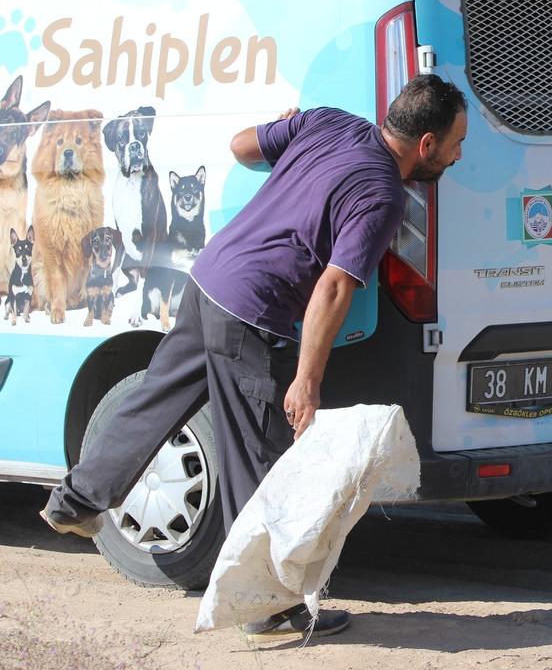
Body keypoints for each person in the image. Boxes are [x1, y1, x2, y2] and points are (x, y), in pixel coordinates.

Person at [40, 74, 468, 641]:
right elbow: (336, 287)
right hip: (252, 308)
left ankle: (74, 501)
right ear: (426, 144)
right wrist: (307, 382)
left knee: (157, 399)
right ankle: (268, 606)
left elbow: (242, 146)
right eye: (457, 143)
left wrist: (292, 133)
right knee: (258, 458)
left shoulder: (331, 121)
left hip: (211, 276)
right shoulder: (384, 193)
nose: (459, 155)